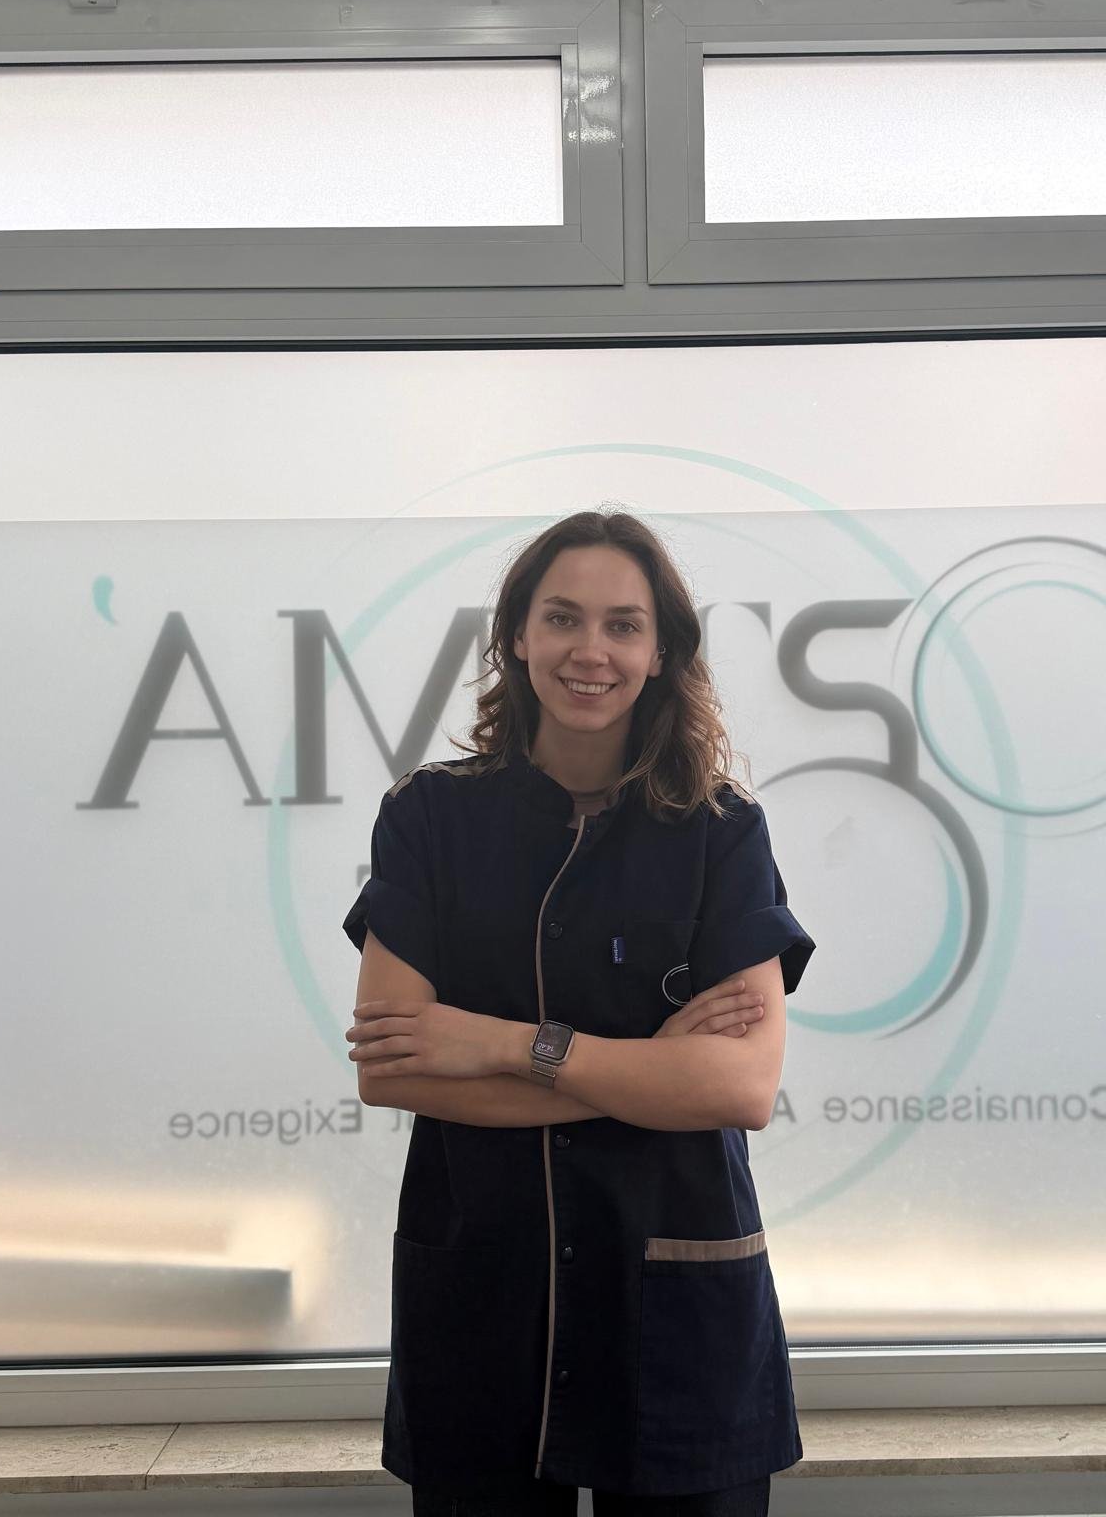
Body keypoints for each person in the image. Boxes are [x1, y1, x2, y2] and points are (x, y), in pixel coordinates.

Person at [342, 508, 816, 1516]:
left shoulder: (722, 831)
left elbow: (738, 1087)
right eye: (562, 618)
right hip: (485, 1299)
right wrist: (650, 1075)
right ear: (517, 635)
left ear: (659, 651)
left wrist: (501, 1045)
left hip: (676, 1308)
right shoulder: (427, 817)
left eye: (621, 625)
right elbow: (392, 1068)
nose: (589, 650)